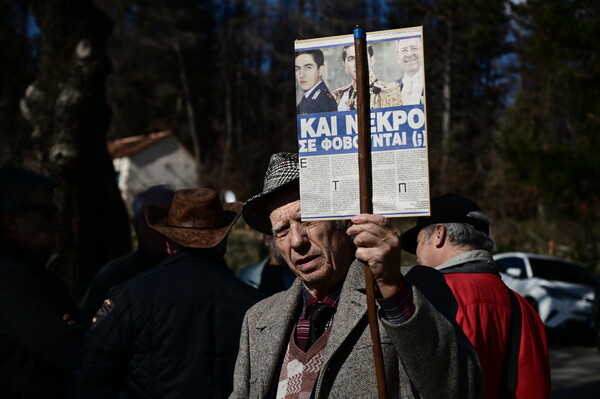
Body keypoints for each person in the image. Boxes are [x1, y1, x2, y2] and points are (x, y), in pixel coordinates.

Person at [230, 153, 481, 398]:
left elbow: (458, 389)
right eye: (282, 230)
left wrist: (392, 288)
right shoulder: (258, 319)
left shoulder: (408, 289)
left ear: (344, 222)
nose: (296, 241)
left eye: (307, 220)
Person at [71, 188, 264, 398]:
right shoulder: (255, 304)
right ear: (223, 243)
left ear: (169, 244)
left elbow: (90, 373)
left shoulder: (129, 296)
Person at [401, 193, 551, 399]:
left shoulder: (424, 297)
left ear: (438, 234)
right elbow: (535, 390)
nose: (417, 257)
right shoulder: (524, 307)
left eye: (418, 243)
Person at [0, 165, 86, 399]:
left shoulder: (39, 275)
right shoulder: (9, 279)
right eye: (46, 212)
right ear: (11, 221)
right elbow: (70, 349)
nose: (57, 220)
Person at [79, 184, 175, 323]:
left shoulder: (197, 275)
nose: (162, 230)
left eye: (170, 220)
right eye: (153, 219)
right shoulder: (115, 276)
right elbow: (89, 325)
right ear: (136, 225)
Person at [333, 44, 401, 111]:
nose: (357, 64)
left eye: (362, 57)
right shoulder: (340, 96)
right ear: (345, 65)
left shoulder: (389, 92)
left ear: (372, 60)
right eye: (351, 59)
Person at [295, 49, 337, 114]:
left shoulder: (322, 101)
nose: (301, 75)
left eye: (308, 67)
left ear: (320, 70)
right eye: (297, 69)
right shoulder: (310, 96)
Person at [394, 36, 425, 105]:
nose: (409, 54)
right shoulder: (392, 89)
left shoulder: (434, 84)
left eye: (414, 48)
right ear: (397, 58)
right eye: (404, 50)